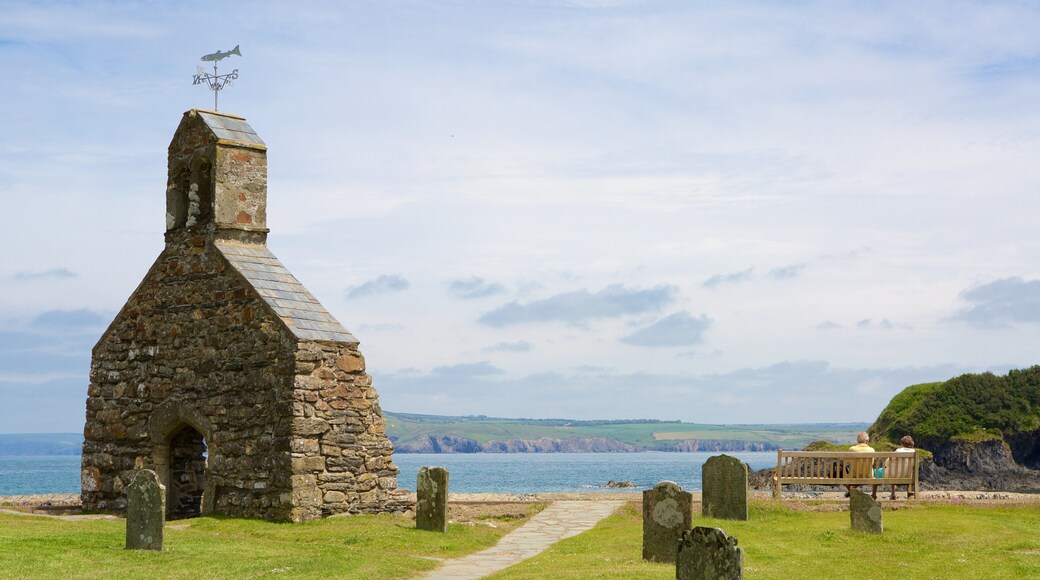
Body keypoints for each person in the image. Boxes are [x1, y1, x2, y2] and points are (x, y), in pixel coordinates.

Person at [846, 431, 878, 499]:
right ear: (867, 441)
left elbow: (848, 461)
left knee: (844, 477)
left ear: (858, 441)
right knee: (875, 475)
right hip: (868, 476)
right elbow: (872, 463)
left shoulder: (852, 449)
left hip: (854, 476)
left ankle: (851, 492)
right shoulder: (871, 450)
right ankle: (874, 495)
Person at [890, 435, 915, 499]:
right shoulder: (914, 452)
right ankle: (909, 492)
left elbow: (891, 460)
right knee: (909, 473)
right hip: (908, 476)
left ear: (901, 443)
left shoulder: (898, 451)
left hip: (896, 475)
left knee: (892, 472)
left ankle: (893, 493)